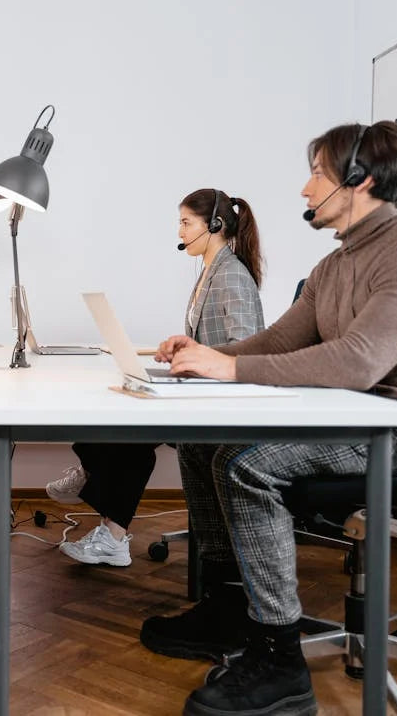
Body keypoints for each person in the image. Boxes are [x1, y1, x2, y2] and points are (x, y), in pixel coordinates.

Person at [141, 122, 397, 716]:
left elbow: (358, 359)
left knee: (247, 466)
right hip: (354, 419)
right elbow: (279, 340)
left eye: (317, 173)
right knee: (200, 443)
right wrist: (207, 358)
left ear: (360, 179)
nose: (304, 188)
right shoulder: (333, 267)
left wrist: (230, 373)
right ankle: (226, 608)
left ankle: (279, 660)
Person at [48, 188, 265, 567]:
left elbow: (246, 349)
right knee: (109, 410)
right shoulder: (209, 273)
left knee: (128, 436)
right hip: (199, 388)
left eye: (186, 223)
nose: (179, 231)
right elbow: (211, 341)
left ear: (213, 225)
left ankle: (112, 535)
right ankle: (90, 480)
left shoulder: (232, 276)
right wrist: (181, 351)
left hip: (218, 400)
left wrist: (195, 360)